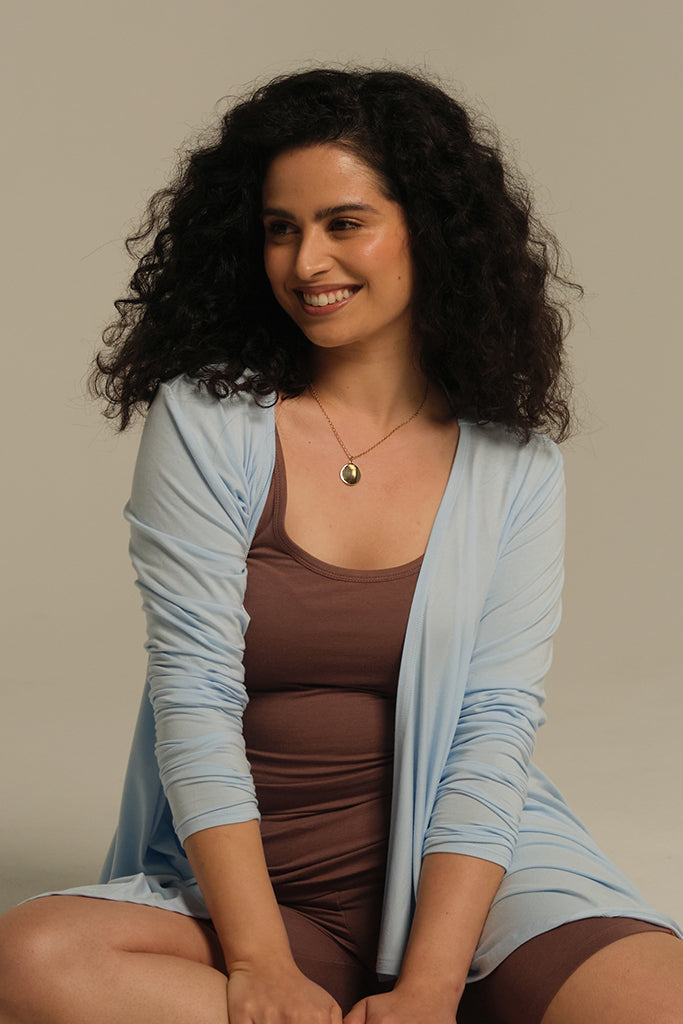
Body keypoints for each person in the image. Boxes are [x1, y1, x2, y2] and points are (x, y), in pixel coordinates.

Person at [0, 68, 680, 1024]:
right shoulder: (210, 421)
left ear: (429, 230)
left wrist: (433, 988)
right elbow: (191, 699)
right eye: (281, 227)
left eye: (343, 222)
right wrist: (262, 969)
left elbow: (491, 731)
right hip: (262, 891)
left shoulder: (513, 464)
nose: (306, 261)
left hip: (473, 885)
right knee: (31, 962)